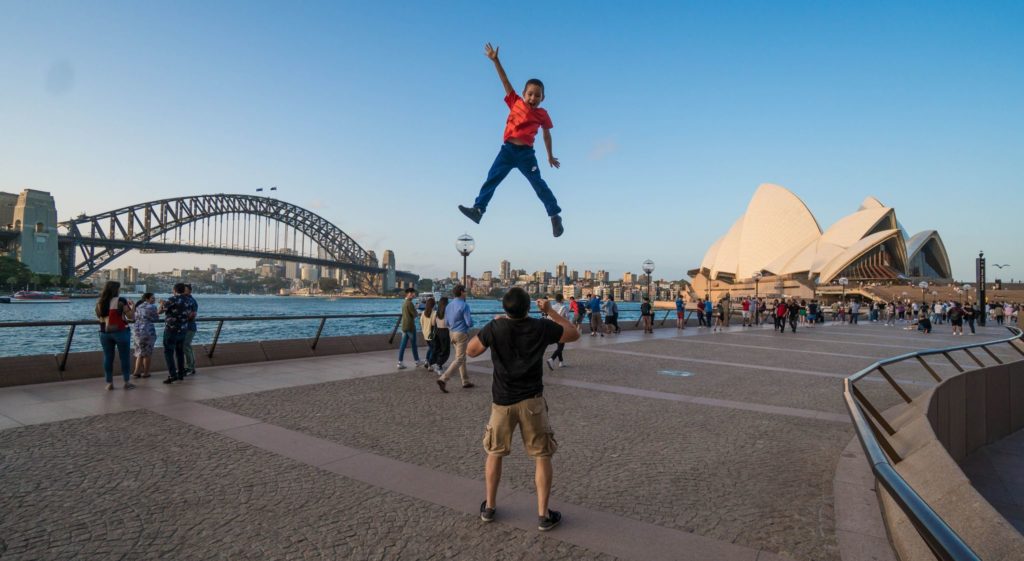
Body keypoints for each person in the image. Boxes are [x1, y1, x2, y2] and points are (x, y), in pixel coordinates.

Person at [467, 288, 580, 530]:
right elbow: (573, 334)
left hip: (502, 403)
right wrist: (550, 311)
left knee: (494, 452)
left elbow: (471, 350)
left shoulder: (495, 328)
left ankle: (490, 507)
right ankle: (543, 515)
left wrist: (492, 326)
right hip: (532, 402)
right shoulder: (541, 326)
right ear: (529, 308)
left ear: (505, 309)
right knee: (542, 455)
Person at [458, 43, 564, 238]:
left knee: (538, 184)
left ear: (543, 98)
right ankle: (478, 210)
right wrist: (495, 60)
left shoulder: (542, 114)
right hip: (507, 151)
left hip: (526, 155)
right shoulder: (515, 101)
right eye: (530, 94)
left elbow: (546, 134)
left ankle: (555, 216)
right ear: (524, 94)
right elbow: (504, 80)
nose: (533, 98)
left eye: (537, 95)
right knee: (492, 178)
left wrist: (549, 155)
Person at [95, 281, 135, 391]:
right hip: (120, 332)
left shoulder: (100, 302)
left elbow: (99, 316)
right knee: (124, 357)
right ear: (116, 290)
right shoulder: (121, 301)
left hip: (104, 333)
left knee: (108, 357)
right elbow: (131, 316)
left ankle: (109, 383)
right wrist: (133, 306)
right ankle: (126, 382)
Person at [438, 285, 474, 391]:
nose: (466, 293)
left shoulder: (448, 306)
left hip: (451, 333)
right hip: (461, 334)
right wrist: (470, 324)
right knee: (459, 358)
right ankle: (443, 379)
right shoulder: (464, 305)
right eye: (465, 291)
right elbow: (469, 322)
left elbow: (447, 322)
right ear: (462, 292)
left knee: (461, 357)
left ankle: (465, 381)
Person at [159, 283, 191, 384]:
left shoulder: (172, 299)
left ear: (174, 290)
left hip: (171, 330)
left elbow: (160, 311)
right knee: (179, 352)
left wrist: (161, 303)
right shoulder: (188, 300)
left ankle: (173, 375)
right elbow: (189, 314)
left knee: (168, 352)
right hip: (183, 330)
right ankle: (181, 373)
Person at [131, 292, 159, 379]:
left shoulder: (138, 306)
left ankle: (136, 372)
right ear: (147, 299)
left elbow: (133, 317)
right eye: (152, 298)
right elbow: (156, 318)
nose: (154, 299)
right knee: (147, 353)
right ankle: (146, 372)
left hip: (136, 331)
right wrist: (161, 307)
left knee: (139, 352)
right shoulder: (152, 307)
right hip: (147, 331)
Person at [397, 288, 422, 369]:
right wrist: (417, 309)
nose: (414, 295)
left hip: (404, 326)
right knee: (414, 344)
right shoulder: (409, 303)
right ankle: (417, 361)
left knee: (403, 345)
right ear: (408, 294)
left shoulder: (404, 303)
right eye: (412, 294)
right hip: (410, 327)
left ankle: (400, 362)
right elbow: (415, 315)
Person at [546, 293, 571, 369]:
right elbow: (568, 317)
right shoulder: (564, 307)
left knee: (559, 345)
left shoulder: (552, 307)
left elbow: (548, 318)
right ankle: (551, 359)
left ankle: (561, 362)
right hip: (561, 329)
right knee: (561, 347)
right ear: (562, 299)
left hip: (553, 328)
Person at [429, 296, 451, 373]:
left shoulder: (436, 312)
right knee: (445, 350)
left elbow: (432, 323)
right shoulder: (447, 312)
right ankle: (439, 365)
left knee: (437, 349)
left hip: (437, 331)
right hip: (445, 331)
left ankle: (432, 363)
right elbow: (449, 323)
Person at [182, 284, 199, 376]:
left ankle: (190, 367)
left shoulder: (191, 301)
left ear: (189, 291)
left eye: (185, 290)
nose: (183, 291)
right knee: (187, 347)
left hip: (189, 327)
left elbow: (192, 315)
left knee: (186, 346)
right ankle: (190, 366)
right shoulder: (186, 300)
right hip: (186, 327)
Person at [420, 297, 437, 368]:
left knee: (430, 347)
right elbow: (433, 323)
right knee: (433, 348)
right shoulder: (434, 313)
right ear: (433, 305)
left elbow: (421, 322)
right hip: (431, 334)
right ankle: (430, 362)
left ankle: (427, 360)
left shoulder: (423, 313)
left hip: (425, 333)